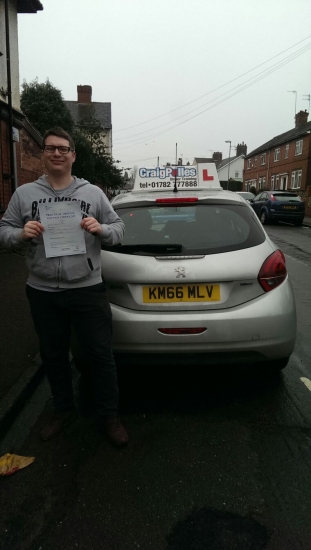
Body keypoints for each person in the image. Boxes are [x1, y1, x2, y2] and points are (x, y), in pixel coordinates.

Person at [0, 127, 129, 447]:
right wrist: (20, 234)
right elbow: (4, 231)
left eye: (63, 149)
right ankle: (62, 410)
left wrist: (101, 229)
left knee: (100, 355)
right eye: (50, 148)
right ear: (43, 154)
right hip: (43, 291)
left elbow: (120, 230)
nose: (56, 153)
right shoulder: (24, 195)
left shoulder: (93, 194)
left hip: (87, 288)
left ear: (73, 155)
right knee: (53, 356)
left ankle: (109, 416)